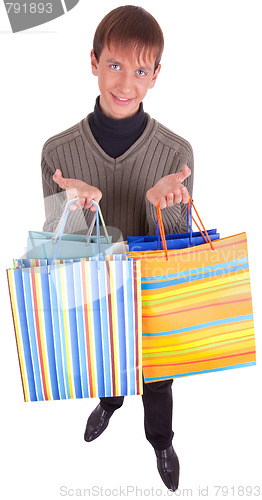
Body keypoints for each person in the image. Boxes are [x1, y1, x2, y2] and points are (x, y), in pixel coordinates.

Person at [41, 5, 193, 491]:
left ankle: (161, 440)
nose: (126, 82)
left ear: (155, 77)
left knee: (158, 377)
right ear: (93, 61)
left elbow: (181, 252)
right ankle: (109, 403)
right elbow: (56, 248)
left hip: (153, 294)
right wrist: (79, 208)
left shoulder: (175, 152)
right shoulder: (57, 152)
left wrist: (162, 206)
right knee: (106, 357)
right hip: (97, 291)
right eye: (115, 65)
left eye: (140, 69)